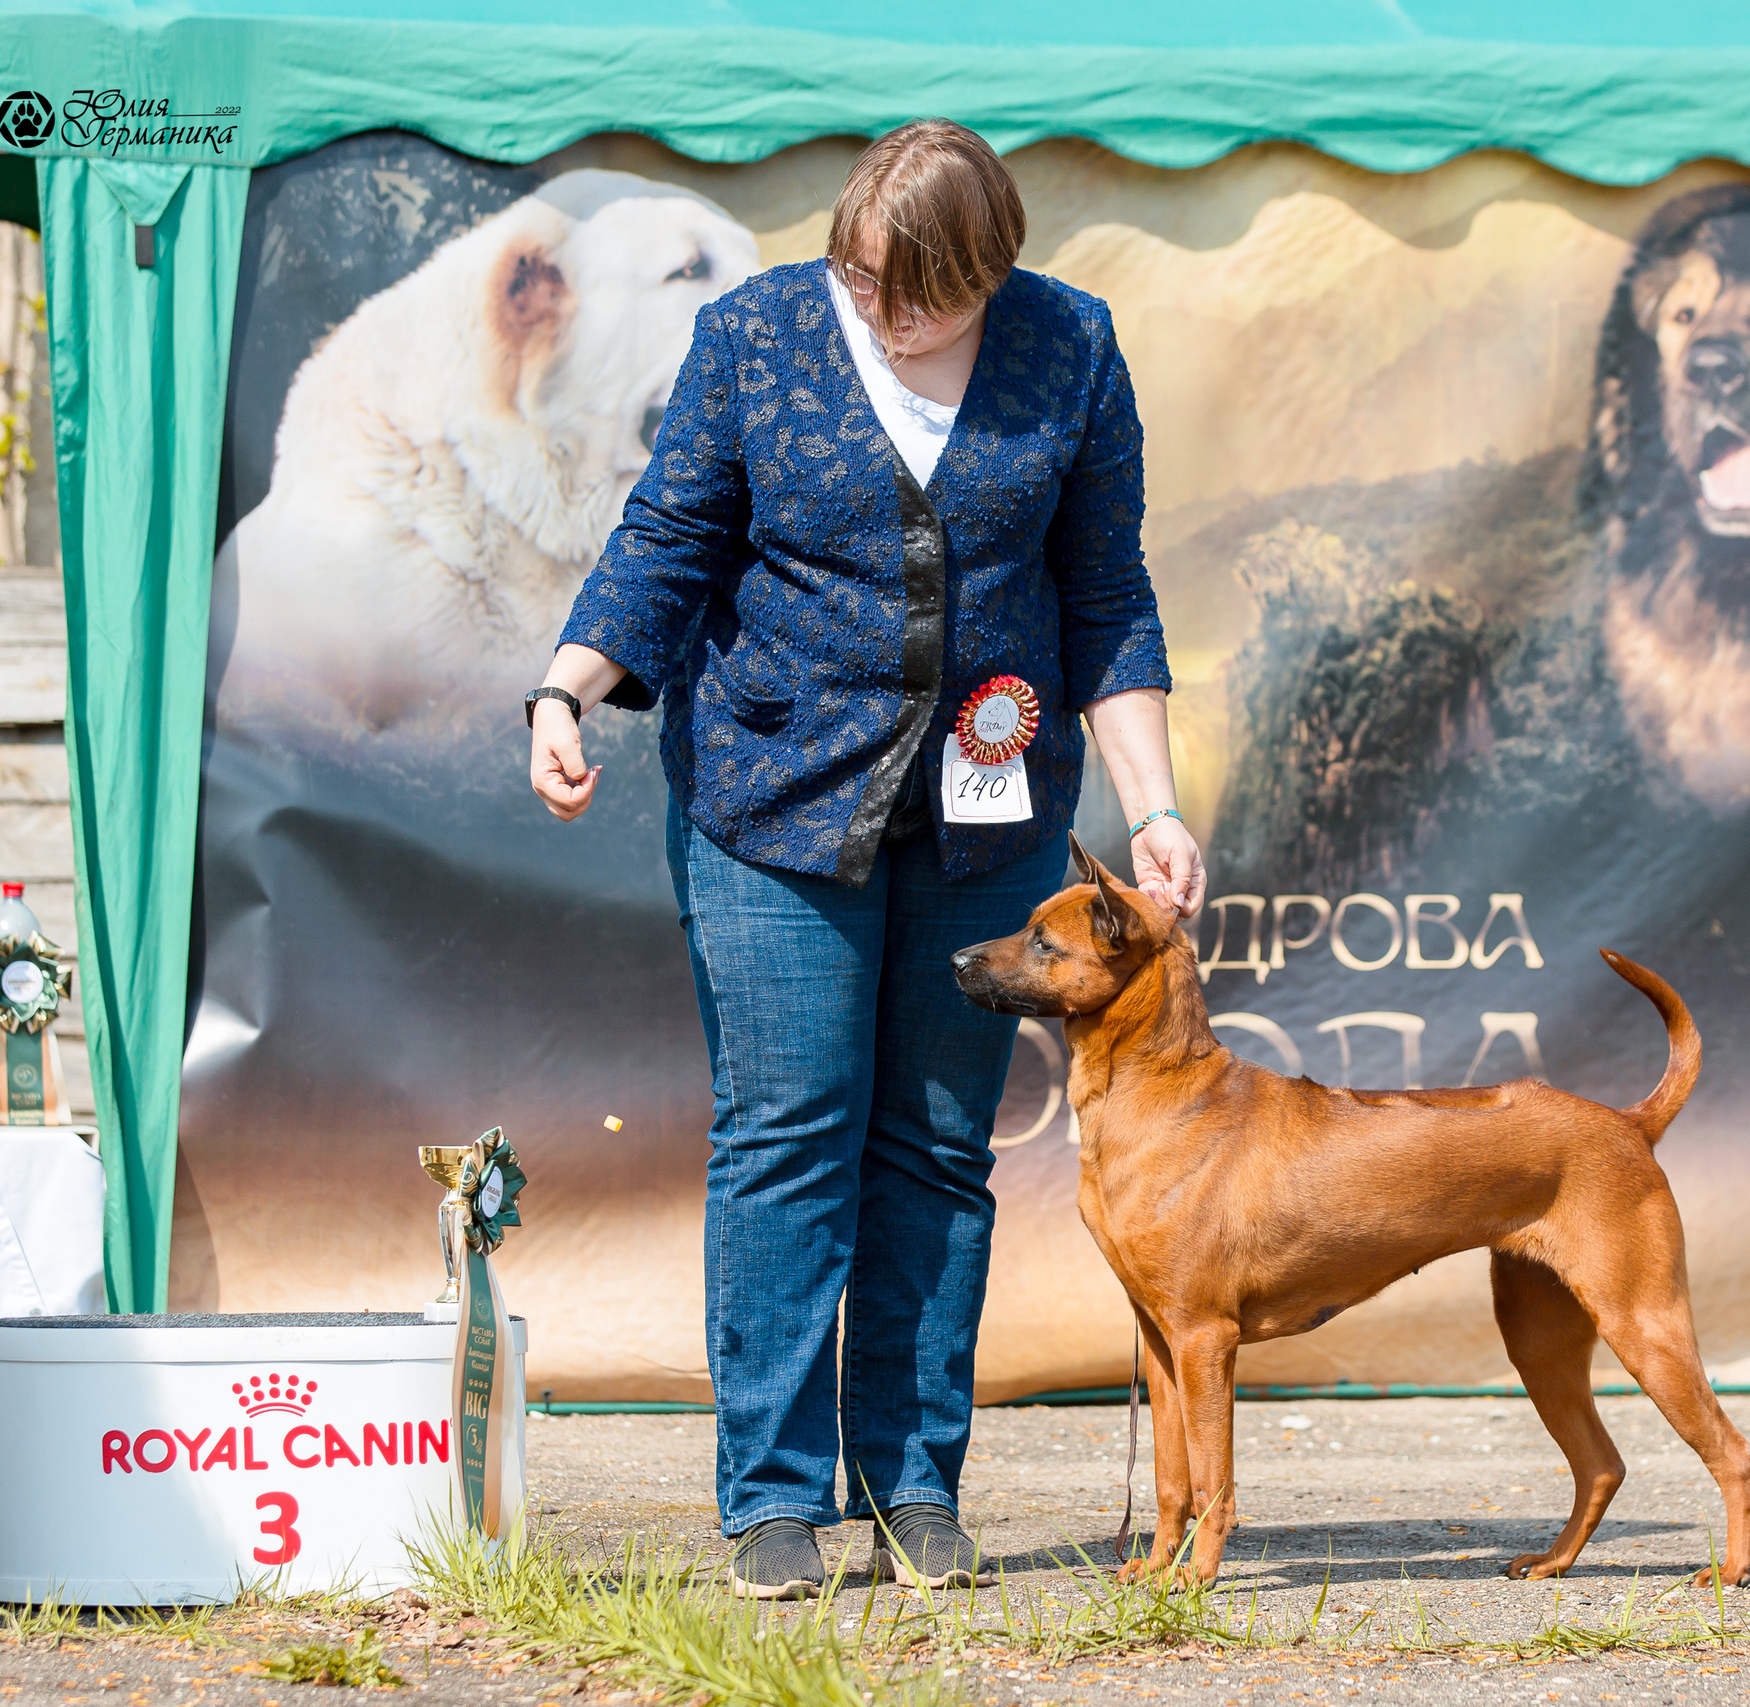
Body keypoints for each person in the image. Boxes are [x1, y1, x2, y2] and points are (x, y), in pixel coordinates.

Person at [526, 119, 1205, 1599]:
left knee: (938, 1154)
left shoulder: (1070, 350)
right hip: (774, 802)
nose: (880, 314)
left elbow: (1107, 591)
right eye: (860, 276)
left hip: (987, 813)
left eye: (917, 296)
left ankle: (912, 1487)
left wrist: (1153, 805)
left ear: (988, 273)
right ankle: (772, 1502)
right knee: (789, 1139)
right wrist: (568, 691)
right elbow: (667, 541)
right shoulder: (755, 335)